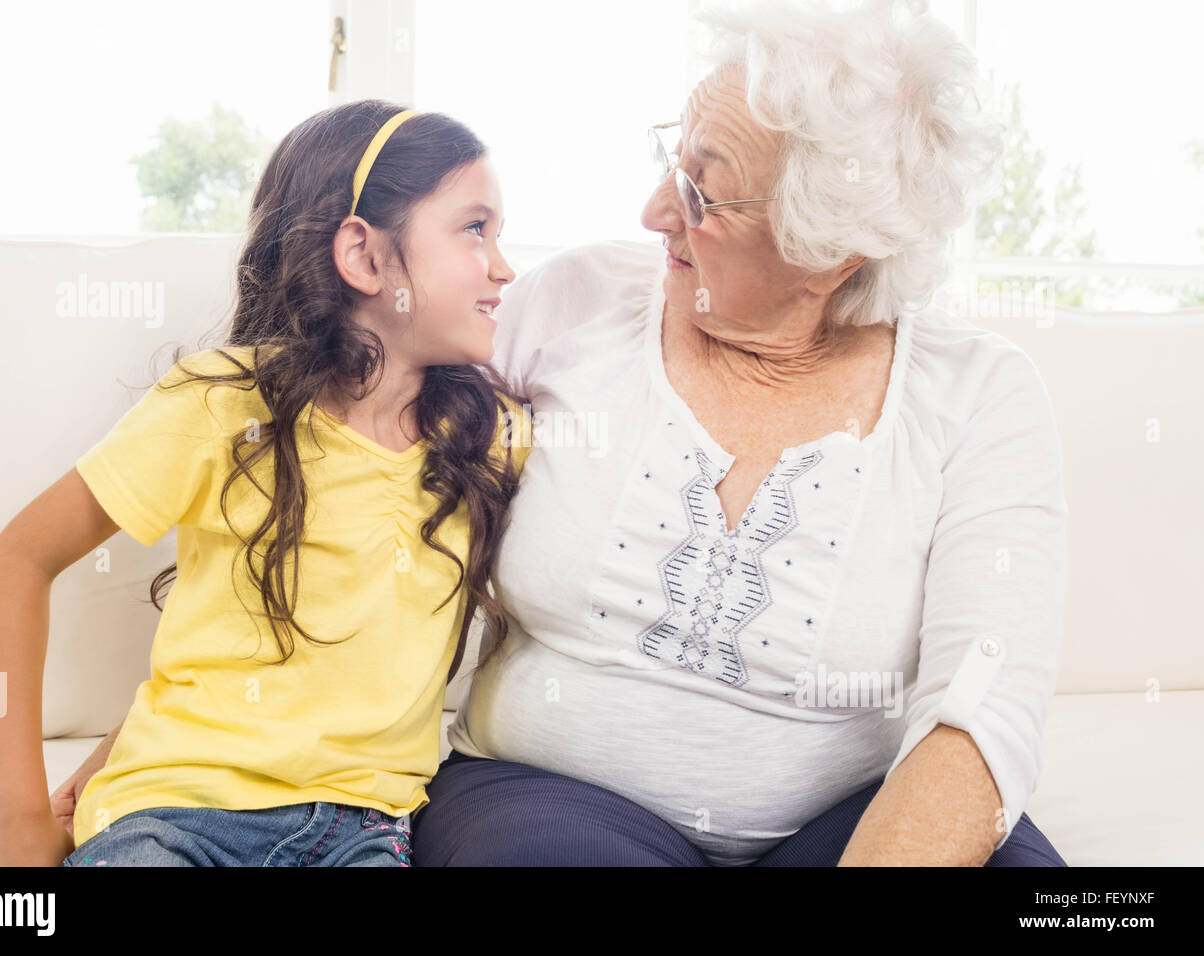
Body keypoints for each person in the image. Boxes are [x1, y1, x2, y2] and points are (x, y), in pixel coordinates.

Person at [412, 0, 1070, 866]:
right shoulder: (577, 303)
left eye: (701, 191)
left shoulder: (980, 393)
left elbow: (982, 703)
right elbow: (372, 433)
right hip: (555, 799)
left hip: (853, 814)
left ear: (838, 247)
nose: (655, 212)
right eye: (670, 161)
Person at [0, 100, 529, 867]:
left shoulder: (492, 437)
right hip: (176, 813)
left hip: (364, 830)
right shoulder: (220, 403)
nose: (504, 266)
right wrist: (12, 819)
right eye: (475, 229)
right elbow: (17, 561)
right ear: (364, 257)